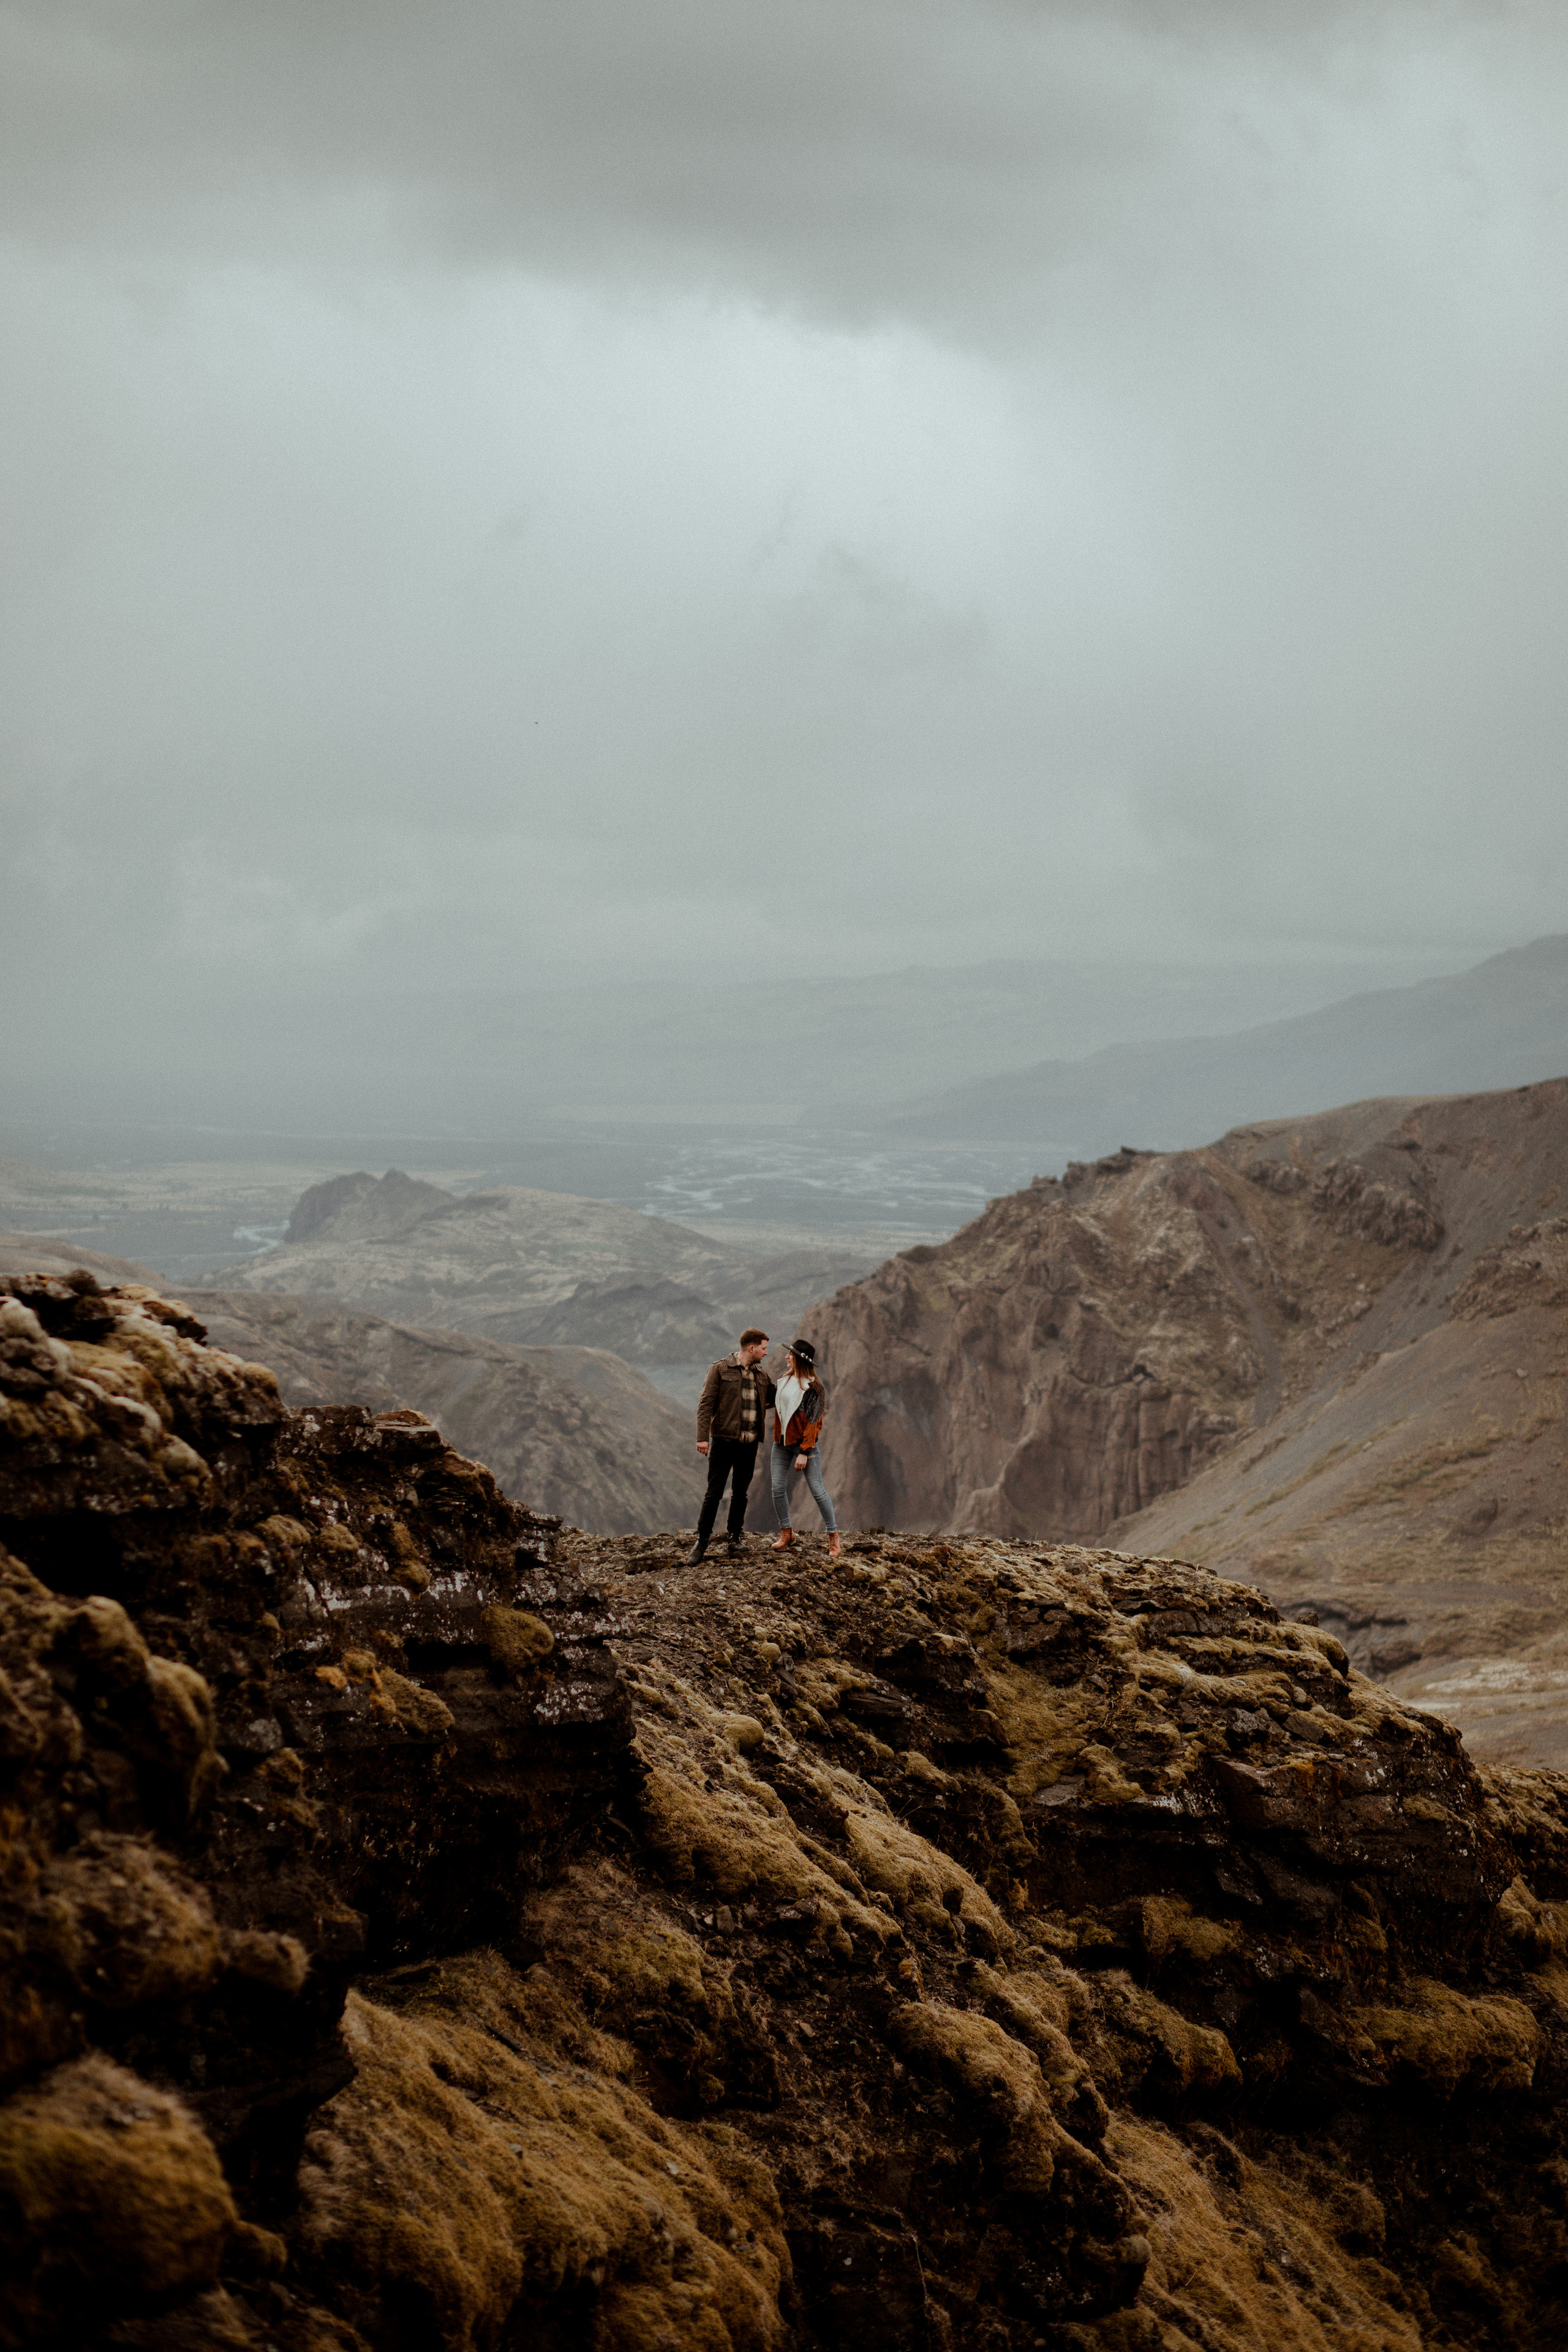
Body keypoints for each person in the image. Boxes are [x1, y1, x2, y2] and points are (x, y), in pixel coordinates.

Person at [689, 1327, 775, 1562]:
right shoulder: (719, 1369)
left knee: (740, 1494)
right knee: (714, 1493)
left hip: (749, 1444)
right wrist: (702, 1437)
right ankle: (702, 1542)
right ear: (752, 1348)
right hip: (724, 1442)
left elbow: (776, 1398)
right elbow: (706, 1404)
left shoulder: (761, 1375)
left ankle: (734, 1539)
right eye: (764, 1348)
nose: (766, 1353)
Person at [769, 1338, 840, 1558]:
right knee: (777, 1489)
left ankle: (833, 1538)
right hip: (780, 1445)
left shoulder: (815, 1389)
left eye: (790, 1354)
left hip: (803, 1448)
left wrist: (804, 1452)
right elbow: (774, 1404)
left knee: (818, 1491)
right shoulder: (783, 1380)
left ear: (800, 1359)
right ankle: (787, 1533)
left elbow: (814, 1424)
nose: (786, 1357)